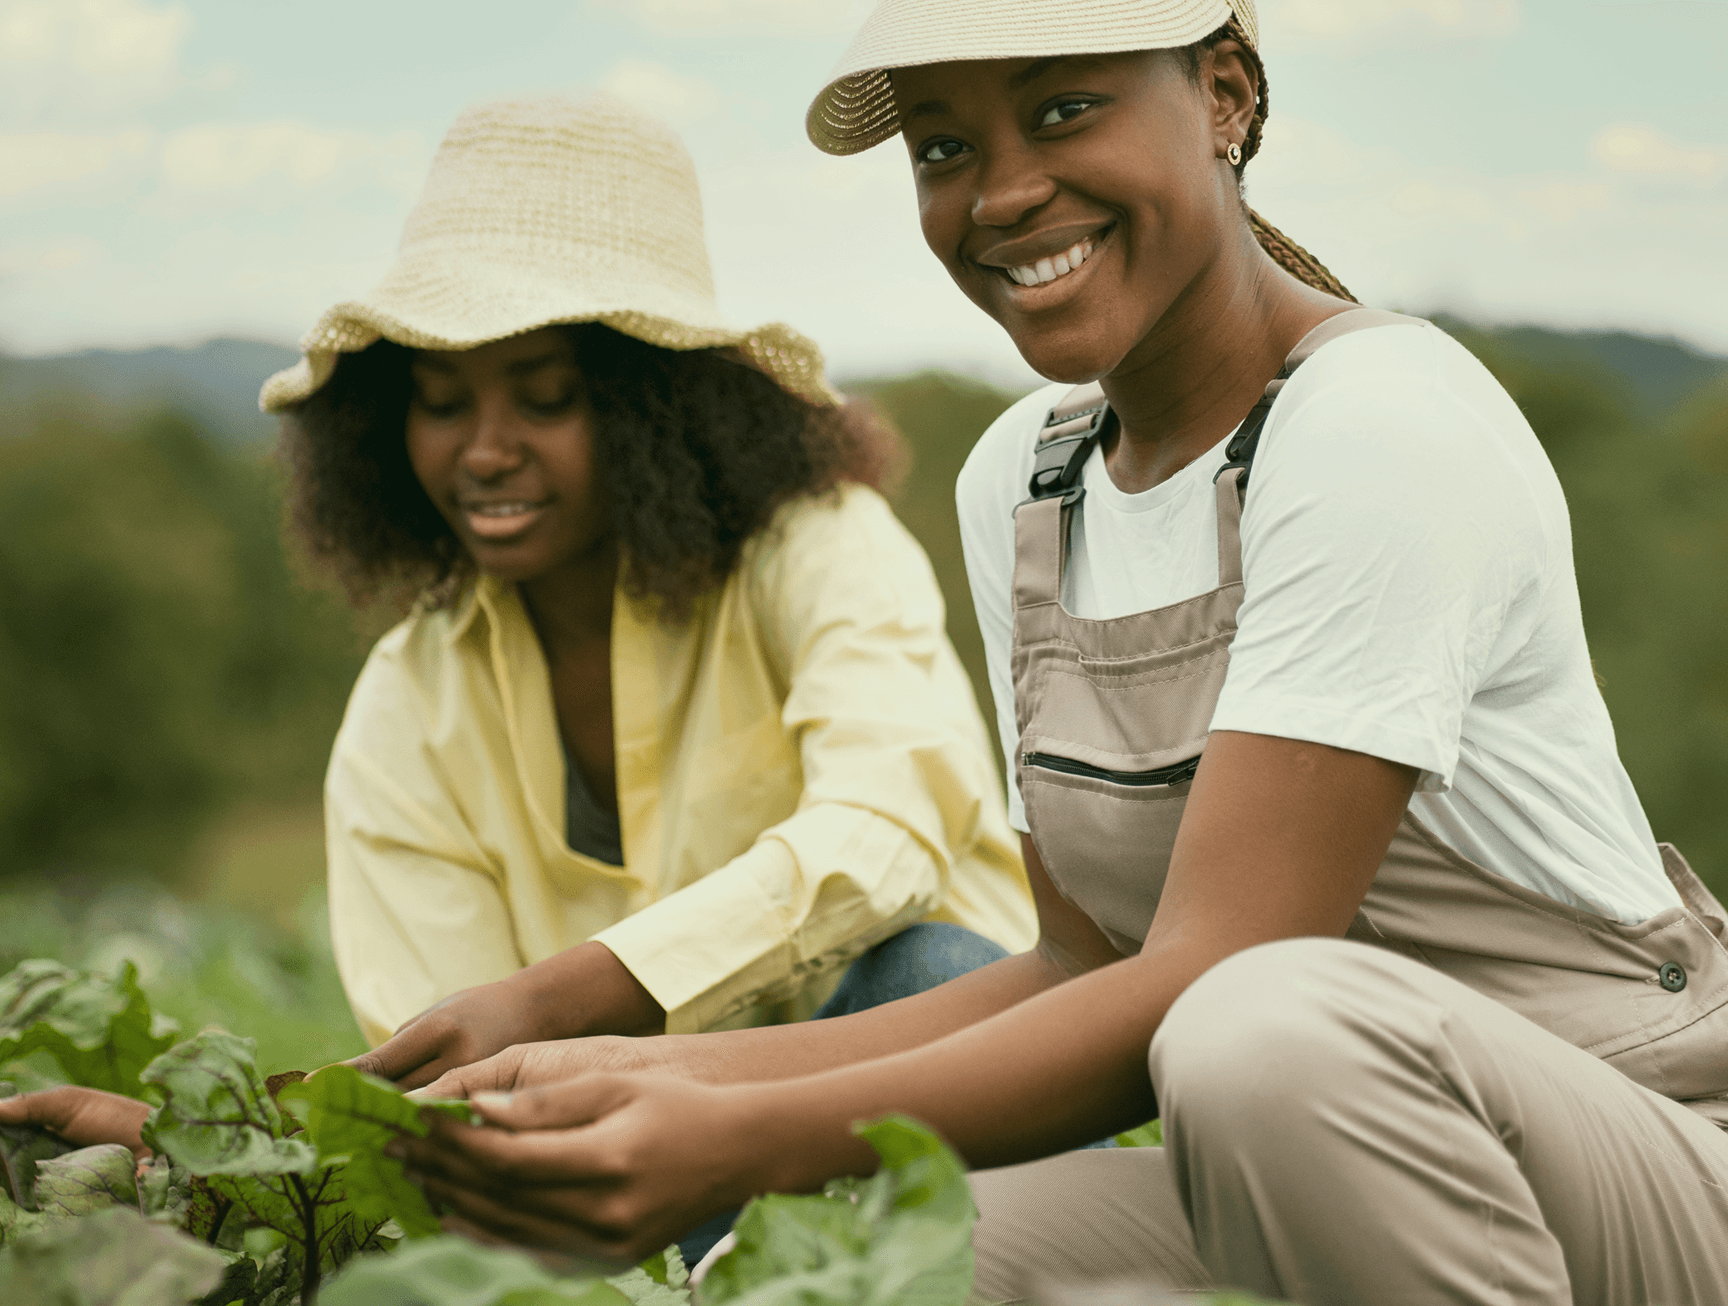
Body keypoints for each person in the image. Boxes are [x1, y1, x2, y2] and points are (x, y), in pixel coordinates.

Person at [13, 10, 1728, 1303]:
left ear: (1223, 98)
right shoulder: (1027, 477)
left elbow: (1220, 963)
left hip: (1622, 1145)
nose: (1000, 194)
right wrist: (600, 1084)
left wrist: (725, 1115)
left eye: (1061, 109)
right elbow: (1076, 961)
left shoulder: (1373, 422)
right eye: (938, 145)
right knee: (880, 1257)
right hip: (1284, 1146)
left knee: (1255, 1027)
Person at [260, 94, 1035, 1086]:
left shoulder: (819, 549)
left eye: (546, 397)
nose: (485, 452)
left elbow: (889, 831)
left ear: (655, 403)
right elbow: (451, 1083)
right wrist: (186, 1154)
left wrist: (547, 1001)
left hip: (924, 1083)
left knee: (933, 973)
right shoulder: (408, 706)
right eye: (442, 402)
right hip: (656, 1164)